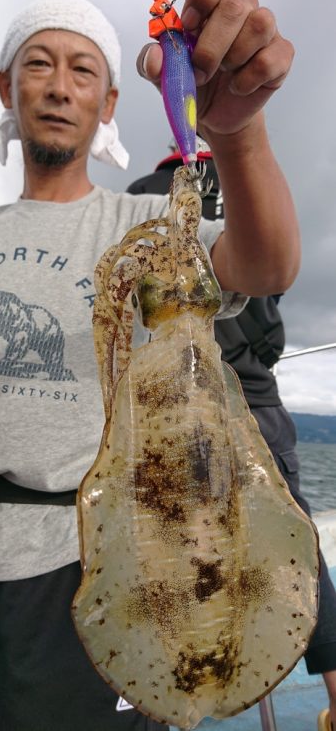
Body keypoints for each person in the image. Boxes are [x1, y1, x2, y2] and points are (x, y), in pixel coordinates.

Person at [0, 0, 303, 728]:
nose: (58, 84)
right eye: (37, 63)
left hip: (86, 563)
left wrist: (237, 135)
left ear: (110, 101)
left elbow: (266, 261)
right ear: (6, 87)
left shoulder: (141, 226)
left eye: (82, 70)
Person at [127, 143, 336, 731]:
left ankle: (168, 687)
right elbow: (273, 284)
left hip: (168, 400)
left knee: (170, 540)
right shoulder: (251, 194)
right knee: (296, 542)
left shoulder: (139, 196)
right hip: (254, 394)